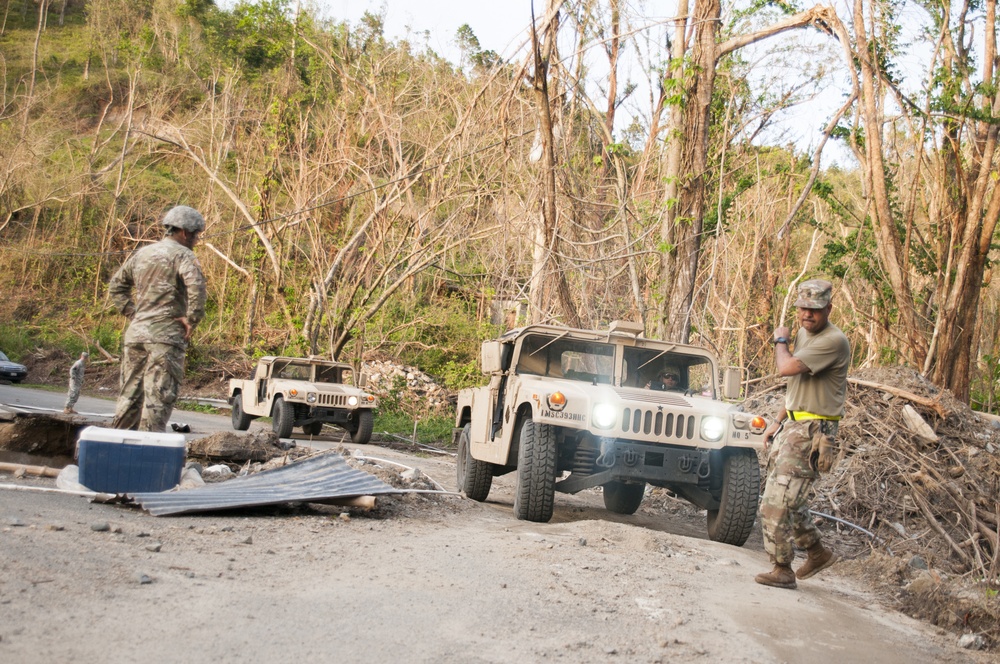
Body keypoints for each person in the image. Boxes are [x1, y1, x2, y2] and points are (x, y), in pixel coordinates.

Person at [755, 279, 851, 590]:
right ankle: (817, 552)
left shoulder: (834, 341)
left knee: (777, 501)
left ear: (828, 309)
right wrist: (777, 421)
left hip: (813, 432)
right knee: (790, 498)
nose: (807, 315)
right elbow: (797, 386)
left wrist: (780, 341)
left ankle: (782, 568)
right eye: (802, 309)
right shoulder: (804, 334)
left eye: (814, 310)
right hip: (795, 425)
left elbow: (787, 368)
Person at [108, 206, 207, 432]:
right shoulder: (184, 255)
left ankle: (119, 447)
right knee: (159, 396)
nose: (196, 239)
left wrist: (133, 314)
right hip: (166, 335)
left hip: (136, 334)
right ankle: (149, 450)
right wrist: (191, 319)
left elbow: (116, 286)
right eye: (195, 234)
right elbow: (197, 288)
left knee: (129, 394)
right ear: (183, 232)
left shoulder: (142, 253)